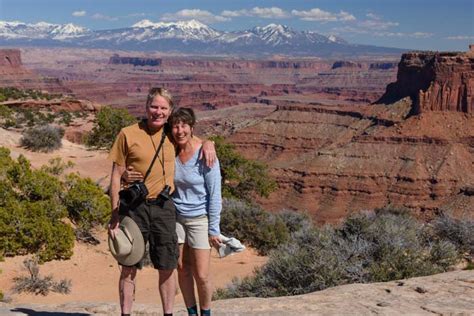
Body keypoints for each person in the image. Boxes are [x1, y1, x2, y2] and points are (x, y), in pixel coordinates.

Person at [107, 87, 216, 316]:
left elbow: (189, 136)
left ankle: (168, 313)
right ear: (146, 107)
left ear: (170, 111)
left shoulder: (171, 132)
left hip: (165, 207)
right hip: (134, 210)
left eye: (163, 108)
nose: (158, 112)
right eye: (154, 106)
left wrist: (209, 142)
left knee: (167, 266)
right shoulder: (128, 133)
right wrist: (114, 214)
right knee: (128, 266)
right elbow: (116, 175)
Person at [169, 107, 222, 316]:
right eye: (175, 125)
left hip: (200, 219)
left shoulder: (205, 153)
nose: (179, 130)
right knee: (182, 268)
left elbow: (215, 193)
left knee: (202, 274)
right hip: (177, 218)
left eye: (184, 125)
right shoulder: (171, 149)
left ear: (192, 127)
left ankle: (206, 312)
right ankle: (191, 312)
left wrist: (214, 228)